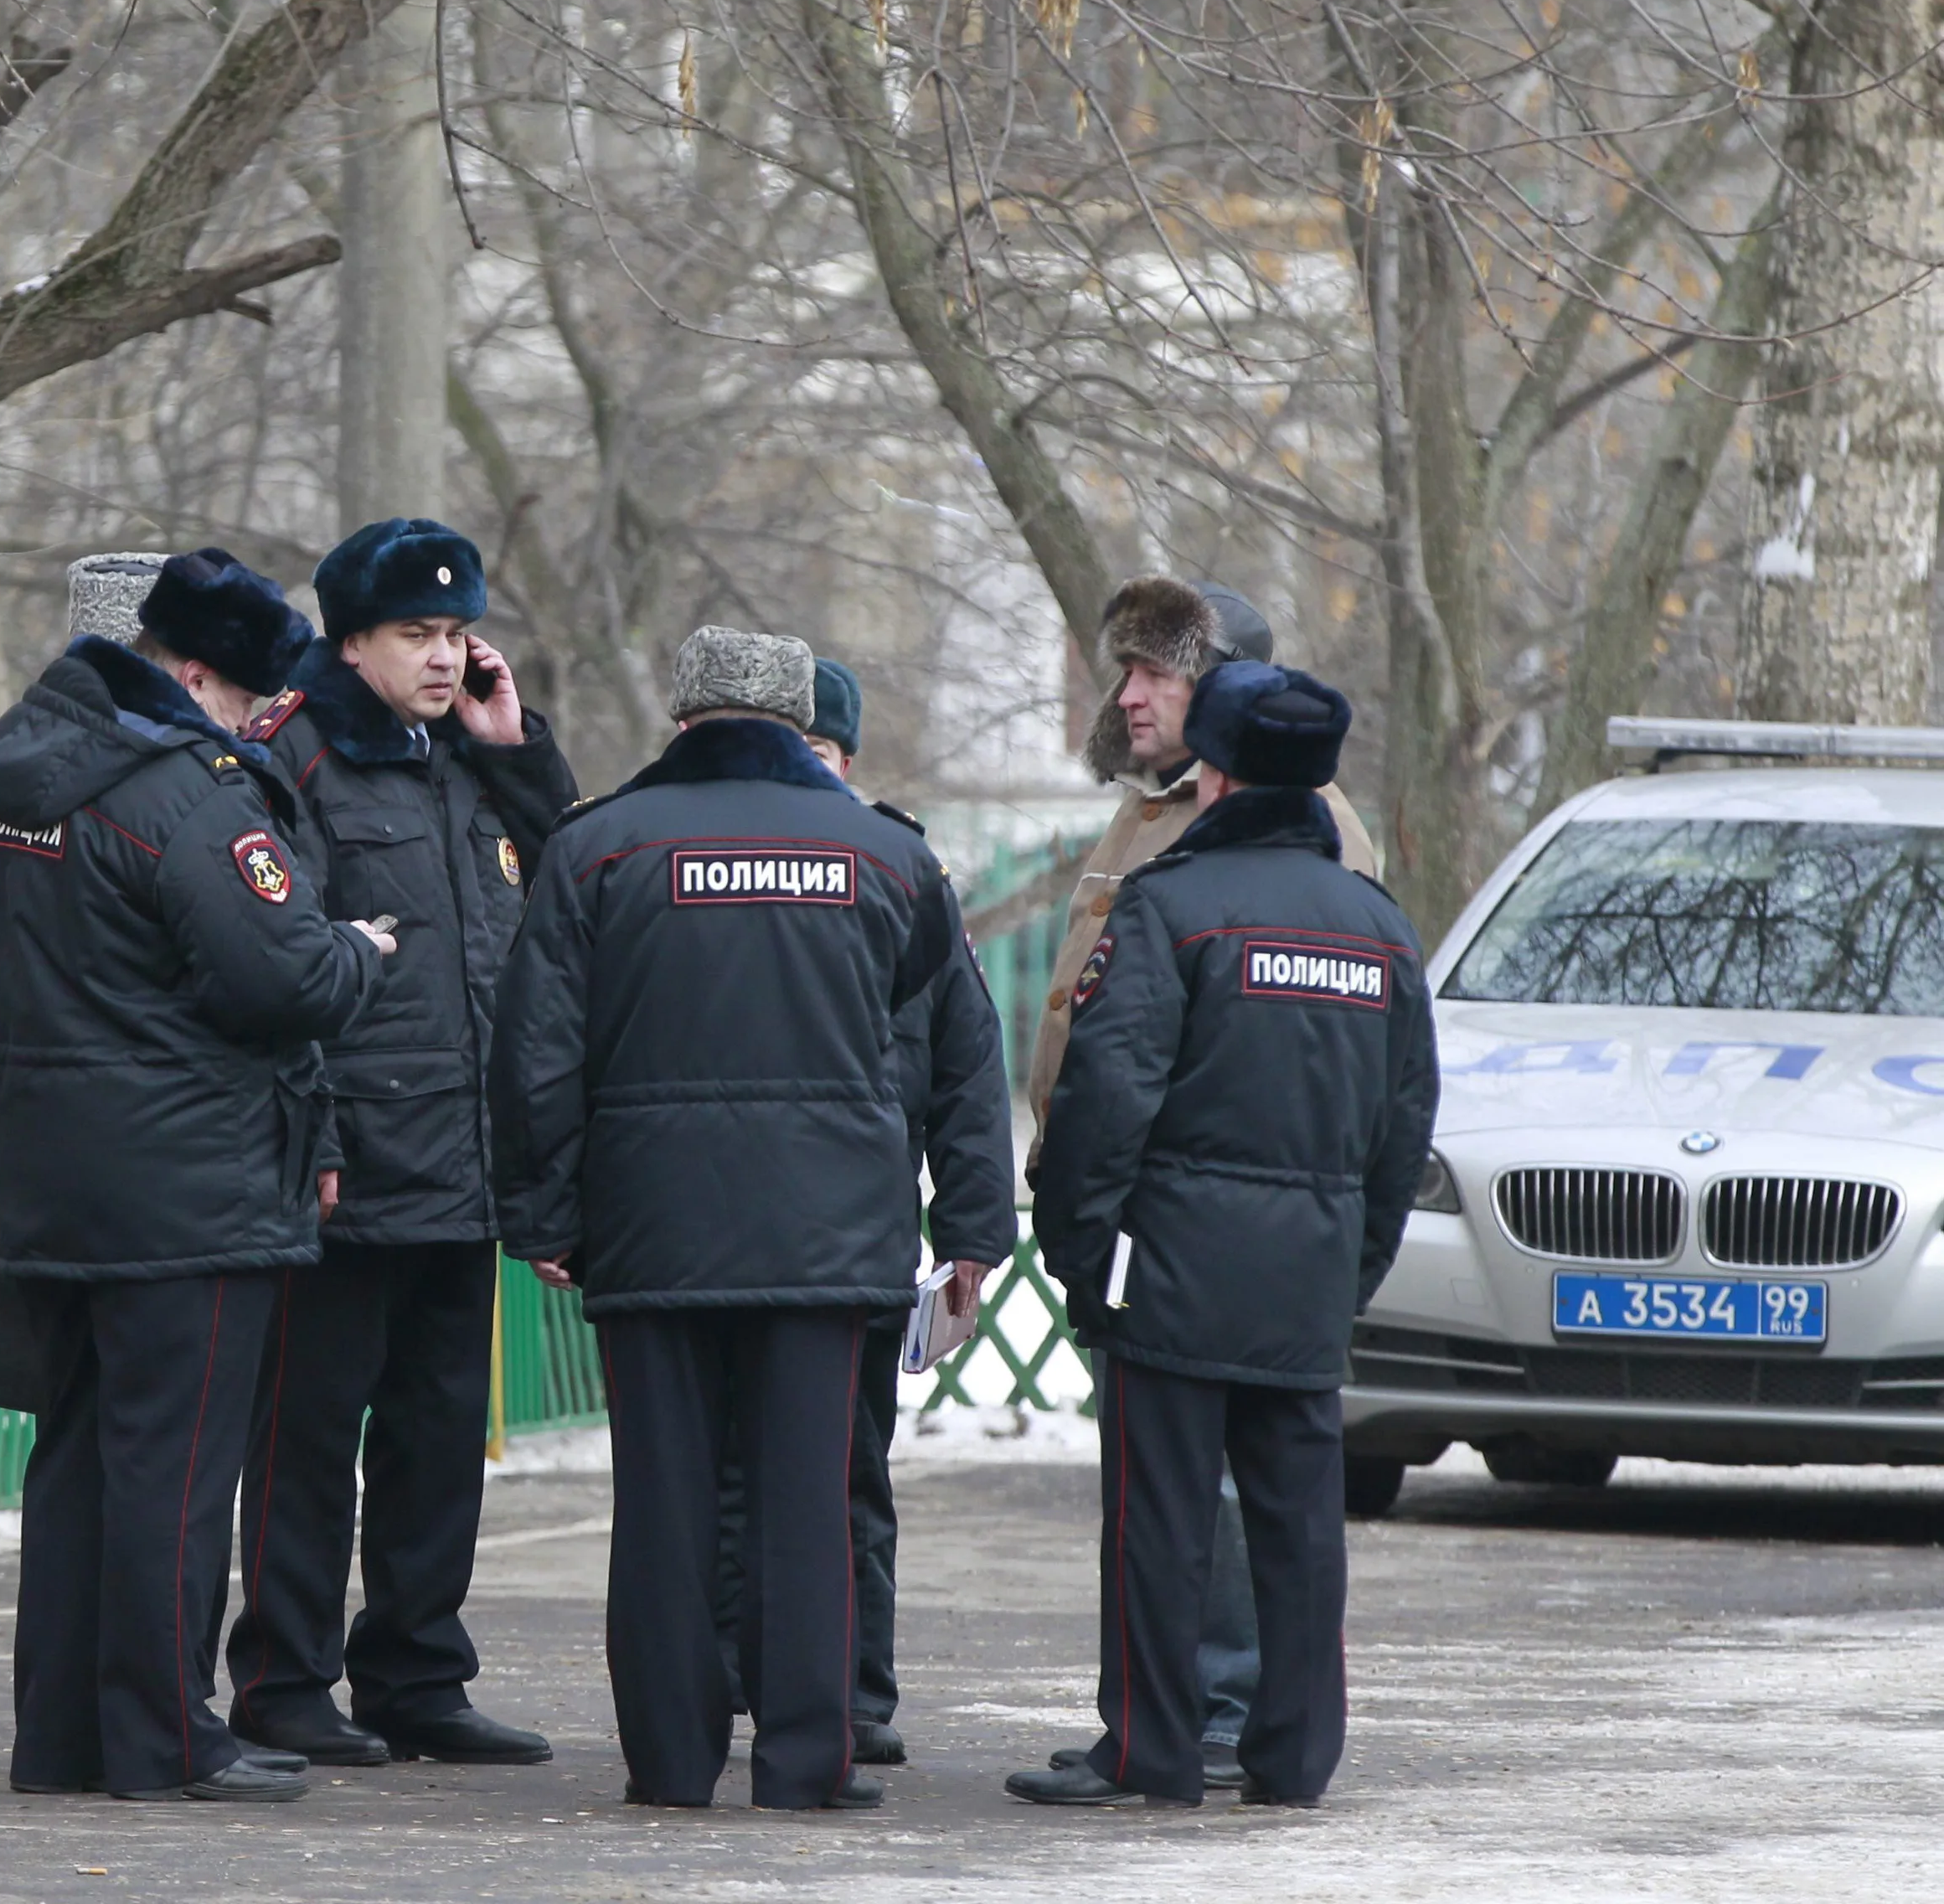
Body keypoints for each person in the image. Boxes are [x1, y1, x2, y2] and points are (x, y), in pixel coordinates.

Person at [0, 546, 391, 1803]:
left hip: (53, 1171)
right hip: (193, 1185)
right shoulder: (188, 796)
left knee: (79, 1458)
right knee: (177, 1471)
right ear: (192, 676)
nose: (253, 725)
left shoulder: (1, 775)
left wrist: (21, 1123)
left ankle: (65, 1737)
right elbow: (283, 979)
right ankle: (167, 1737)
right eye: (245, 703)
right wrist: (358, 951)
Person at [491, 627, 966, 1813]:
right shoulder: (885, 855)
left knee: (664, 1503)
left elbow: (535, 1051)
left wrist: (544, 1210)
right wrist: (967, 1223)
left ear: (684, 712)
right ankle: (809, 1760)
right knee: (810, 1502)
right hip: (830, 1233)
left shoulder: (595, 847)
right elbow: (957, 1043)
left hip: (654, 1228)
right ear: (799, 721)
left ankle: (670, 1759)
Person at [1006, 663, 1436, 1809]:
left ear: (1219, 777)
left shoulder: (1173, 906)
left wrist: (1083, 1253)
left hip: (1171, 1279)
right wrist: (1351, 1268)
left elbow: (1107, 1101)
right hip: (1306, 1282)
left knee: (1162, 1524)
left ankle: (1152, 1751)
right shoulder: (1379, 929)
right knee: (1302, 1533)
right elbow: (1405, 1130)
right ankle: (1294, 1758)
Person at [224, 517, 576, 1770]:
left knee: (438, 1441)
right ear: (352, 640)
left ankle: (418, 1673)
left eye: (456, 635)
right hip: (347, 1164)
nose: (443, 659)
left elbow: (579, 875)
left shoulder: (470, 759)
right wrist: (311, 1135)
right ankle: (282, 1678)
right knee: (308, 1441)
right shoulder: (292, 758)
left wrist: (518, 748)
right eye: (415, 637)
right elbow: (281, 971)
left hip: (465, 1160)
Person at [708, 658, 1013, 1768]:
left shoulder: (901, 877)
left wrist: (973, 1234)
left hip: (857, 1232)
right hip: (726, 1220)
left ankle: (852, 1688)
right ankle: (734, 1673)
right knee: (727, 1472)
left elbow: (969, 1069)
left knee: (846, 1473)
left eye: (825, 757)